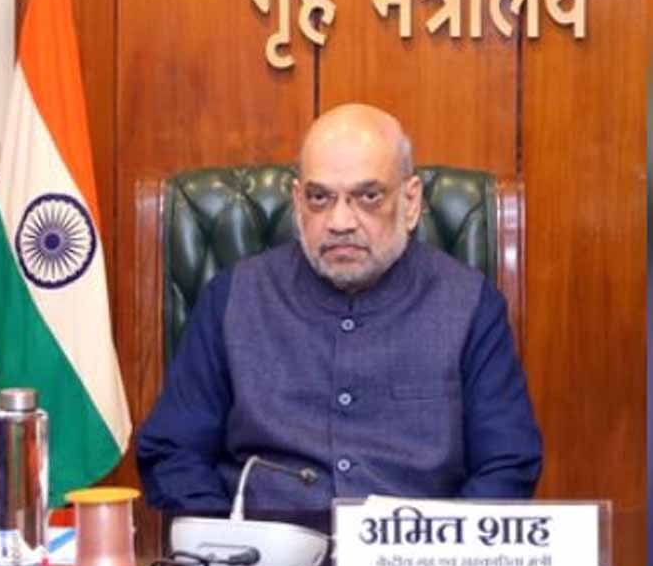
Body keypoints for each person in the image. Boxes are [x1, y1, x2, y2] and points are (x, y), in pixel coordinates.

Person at [137, 103, 542, 524]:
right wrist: (226, 545)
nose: (340, 221)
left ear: (410, 201)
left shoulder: (470, 305)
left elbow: (507, 465)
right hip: (261, 558)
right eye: (320, 198)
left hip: (415, 557)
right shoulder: (232, 298)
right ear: (297, 201)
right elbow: (173, 451)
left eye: (368, 197)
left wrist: (440, 549)